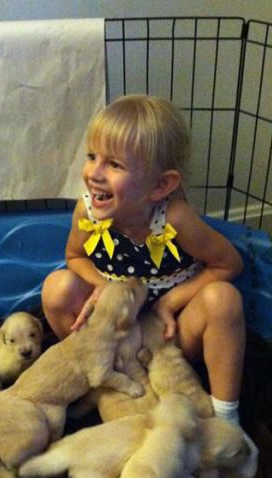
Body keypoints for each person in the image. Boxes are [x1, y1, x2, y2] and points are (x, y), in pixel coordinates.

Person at [42, 94, 246, 427]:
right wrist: (104, 286)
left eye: (115, 164)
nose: (94, 173)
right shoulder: (88, 211)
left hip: (169, 337)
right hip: (117, 335)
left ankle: (225, 418)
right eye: (92, 156)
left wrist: (170, 302)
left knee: (224, 299)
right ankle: (98, 375)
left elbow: (229, 264)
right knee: (56, 288)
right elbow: (74, 257)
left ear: (161, 185)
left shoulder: (174, 218)